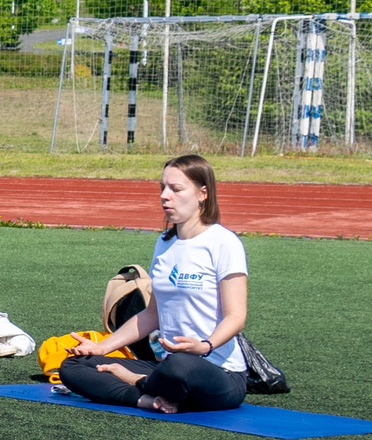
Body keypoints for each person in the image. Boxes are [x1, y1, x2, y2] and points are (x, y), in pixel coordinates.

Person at [61, 155, 249, 414]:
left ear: (202, 194)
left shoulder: (224, 243)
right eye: (162, 187)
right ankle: (146, 399)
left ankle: (139, 382)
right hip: (167, 369)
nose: (165, 195)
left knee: (180, 366)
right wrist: (101, 347)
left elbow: (236, 316)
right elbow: (151, 316)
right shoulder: (165, 242)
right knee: (73, 366)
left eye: (176, 189)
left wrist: (204, 346)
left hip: (217, 372)